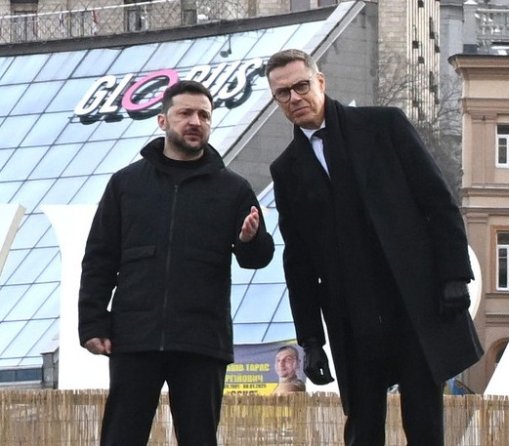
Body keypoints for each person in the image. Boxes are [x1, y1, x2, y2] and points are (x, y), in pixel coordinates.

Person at [266, 49, 483, 446]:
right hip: (352, 316)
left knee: (424, 421)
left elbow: (437, 201)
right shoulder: (286, 169)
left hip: (413, 301)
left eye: (301, 86)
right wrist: (310, 340)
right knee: (363, 427)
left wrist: (454, 275)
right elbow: (298, 261)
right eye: (283, 93)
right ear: (276, 100)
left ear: (320, 82)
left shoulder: (384, 125)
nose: (294, 98)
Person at [78, 80, 275, 446]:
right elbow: (99, 258)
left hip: (202, 340)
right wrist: (92, 322)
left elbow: (258, 258)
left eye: (204, 115)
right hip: (135, 336)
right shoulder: (126, 184)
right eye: (185, 113)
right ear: (162, 120)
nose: (195, 121)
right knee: (121, 437)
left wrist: (250, 240)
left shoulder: (233, 188)